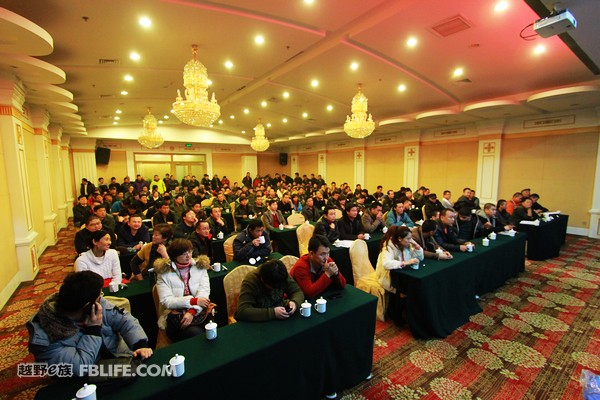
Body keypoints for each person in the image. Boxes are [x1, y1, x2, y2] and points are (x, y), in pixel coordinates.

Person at [27, 271, 152, 377]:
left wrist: (139, 344)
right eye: (99, 297)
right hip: (84, 381)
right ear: (87, 306)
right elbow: (80, 368)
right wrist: (93, 330)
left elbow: (124, 319)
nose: (102, 300)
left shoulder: (94, 305)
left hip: (117, 359)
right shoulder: (45, 339)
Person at [155, 239, 212, 342]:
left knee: (213, 327)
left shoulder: (200, 267)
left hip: (199, 311)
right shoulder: (163, 273)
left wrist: (192, 311)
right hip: (176, 315)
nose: (188, 255)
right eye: (183, 253)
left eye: (189, 251)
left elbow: (204, 291)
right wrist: (193, 301)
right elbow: (166, 300)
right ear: (175, 256)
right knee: (196, 334)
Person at [376, 226, 424, 325]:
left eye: (411, 238)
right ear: (399, 239)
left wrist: (417, 246)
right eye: (408, 238)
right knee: (402, 288)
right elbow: (386, 264)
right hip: (387, 274)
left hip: (400, 273)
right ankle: (396, 315)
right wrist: (404, 263)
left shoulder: (406, 245)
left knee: (413, 284)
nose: (410, 241)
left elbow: (420, 258)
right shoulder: (388, 247)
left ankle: (410, 312)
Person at [235, 259, 304, 322]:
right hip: (259, 319)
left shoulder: (281, 273)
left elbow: (297, 291)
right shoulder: (251, 280)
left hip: (280, 311)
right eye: (273, 287)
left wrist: (294, 303)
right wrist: (272, 313)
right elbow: (242, 311)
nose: (275, 289)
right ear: (263, 280)